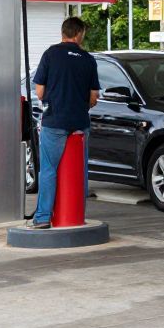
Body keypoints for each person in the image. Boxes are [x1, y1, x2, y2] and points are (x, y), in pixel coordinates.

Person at [28, 17, 100, 229]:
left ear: (63, 33)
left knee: (49, 169)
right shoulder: (88, 59)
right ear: (79, 34)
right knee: (80, 169)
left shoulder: (50, 54)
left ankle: (42, 218)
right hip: (79, 122)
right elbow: (93, 98)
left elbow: (39, 92)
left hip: (54, 121)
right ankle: (77, 214)